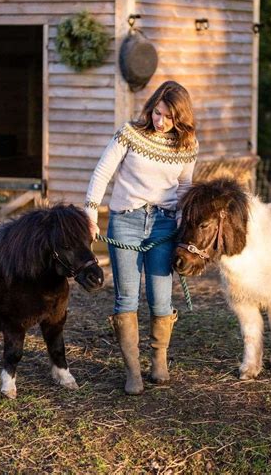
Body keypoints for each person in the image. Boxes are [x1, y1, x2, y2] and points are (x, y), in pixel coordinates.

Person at [84, 81, 198, 395]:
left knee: (160, 297)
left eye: (168, 117)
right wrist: (91, 212)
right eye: (157, 112)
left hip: (163, 224)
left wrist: (181, 226)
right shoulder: (130, 134)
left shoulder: (187, 146)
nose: (160, 120)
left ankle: (158, 359)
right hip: (125, 221)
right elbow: (102, 171)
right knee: (127, 298)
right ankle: (132, 370)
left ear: (180, 118)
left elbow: (185, 187)